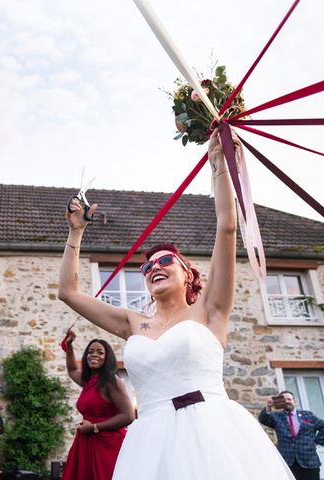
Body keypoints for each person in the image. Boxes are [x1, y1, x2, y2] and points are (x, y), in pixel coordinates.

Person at [58, 129, 295, 479]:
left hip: (212, 434)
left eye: (165, 261)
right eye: (147, 266)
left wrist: (220, 167)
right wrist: (75, 232)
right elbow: (68, 292)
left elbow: (226, 227)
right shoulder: (131, 323)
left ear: (187, 273)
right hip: (150, 442)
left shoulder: (211, 310)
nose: (155, 267)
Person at [61, 329, 134, 480]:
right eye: (90, 352)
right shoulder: (88, 381)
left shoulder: (111, 381)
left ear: (107, 358)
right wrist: (69, 346)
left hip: (107, 444)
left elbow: (128, 416)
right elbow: (73, 369)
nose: (94, 354)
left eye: (100, 352)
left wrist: (94, 428)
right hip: (85, 442)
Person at [258, 390, 324, 480]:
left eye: (289, 399)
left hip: (309, 462)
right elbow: (263, 419)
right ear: (280, 402)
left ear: (294, 401)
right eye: (284, 399)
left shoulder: (308, 415)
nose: (287, 401)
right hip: (287, 462)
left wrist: (316, 442)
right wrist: (268, 406)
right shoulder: (276, 417)